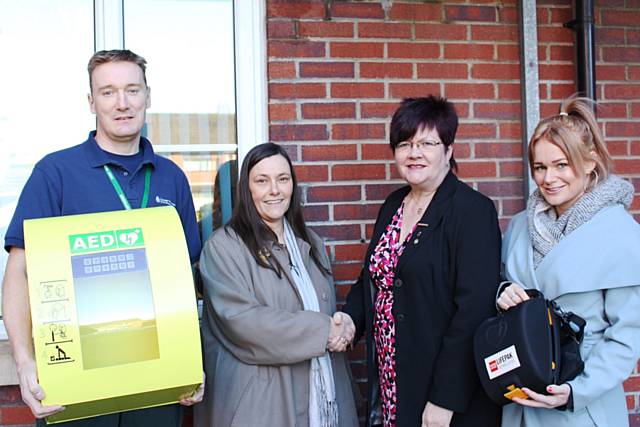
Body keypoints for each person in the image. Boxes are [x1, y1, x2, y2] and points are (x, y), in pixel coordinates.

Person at [1, 49, 203, 426]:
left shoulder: (172, 178)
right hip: (76, 385)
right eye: (108, 92)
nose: (122, 103)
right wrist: (24, 361)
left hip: (156, 384)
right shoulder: (56, 172)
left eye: (132, 90)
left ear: (148, 96)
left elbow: (183, 278)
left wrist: (193, 360)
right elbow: (19, 271)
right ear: (91, 102)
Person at [342, 96, 502, 427]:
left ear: (449, 150)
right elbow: (374, 278)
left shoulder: (472, 211)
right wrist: (350, 320)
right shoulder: (393, 205)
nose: (414, 153)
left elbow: (473, 311)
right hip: (392, 379)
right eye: (405, 144)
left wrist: (445, 399)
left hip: (443, 392)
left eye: (427, 143)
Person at [497, 97, 640, 426]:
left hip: (581, 402)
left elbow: (627, 336)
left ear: (590, 162)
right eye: (540, 167)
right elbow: (499, 284)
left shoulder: (620, 234)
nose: (549, 178)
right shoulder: (519, 225)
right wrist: (501, 291)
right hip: (520, 399)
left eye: (562, 165)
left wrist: (577, 391)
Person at [195, 142, 358, 427]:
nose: (275, 190)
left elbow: (323, 311)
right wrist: (325, 331)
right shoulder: (223, 247)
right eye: (262, 181)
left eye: (283, 179)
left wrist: (342, 324)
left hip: (321, 399)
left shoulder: (311, 244)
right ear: (247, 189)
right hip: (260, 405)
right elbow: (243, 323)